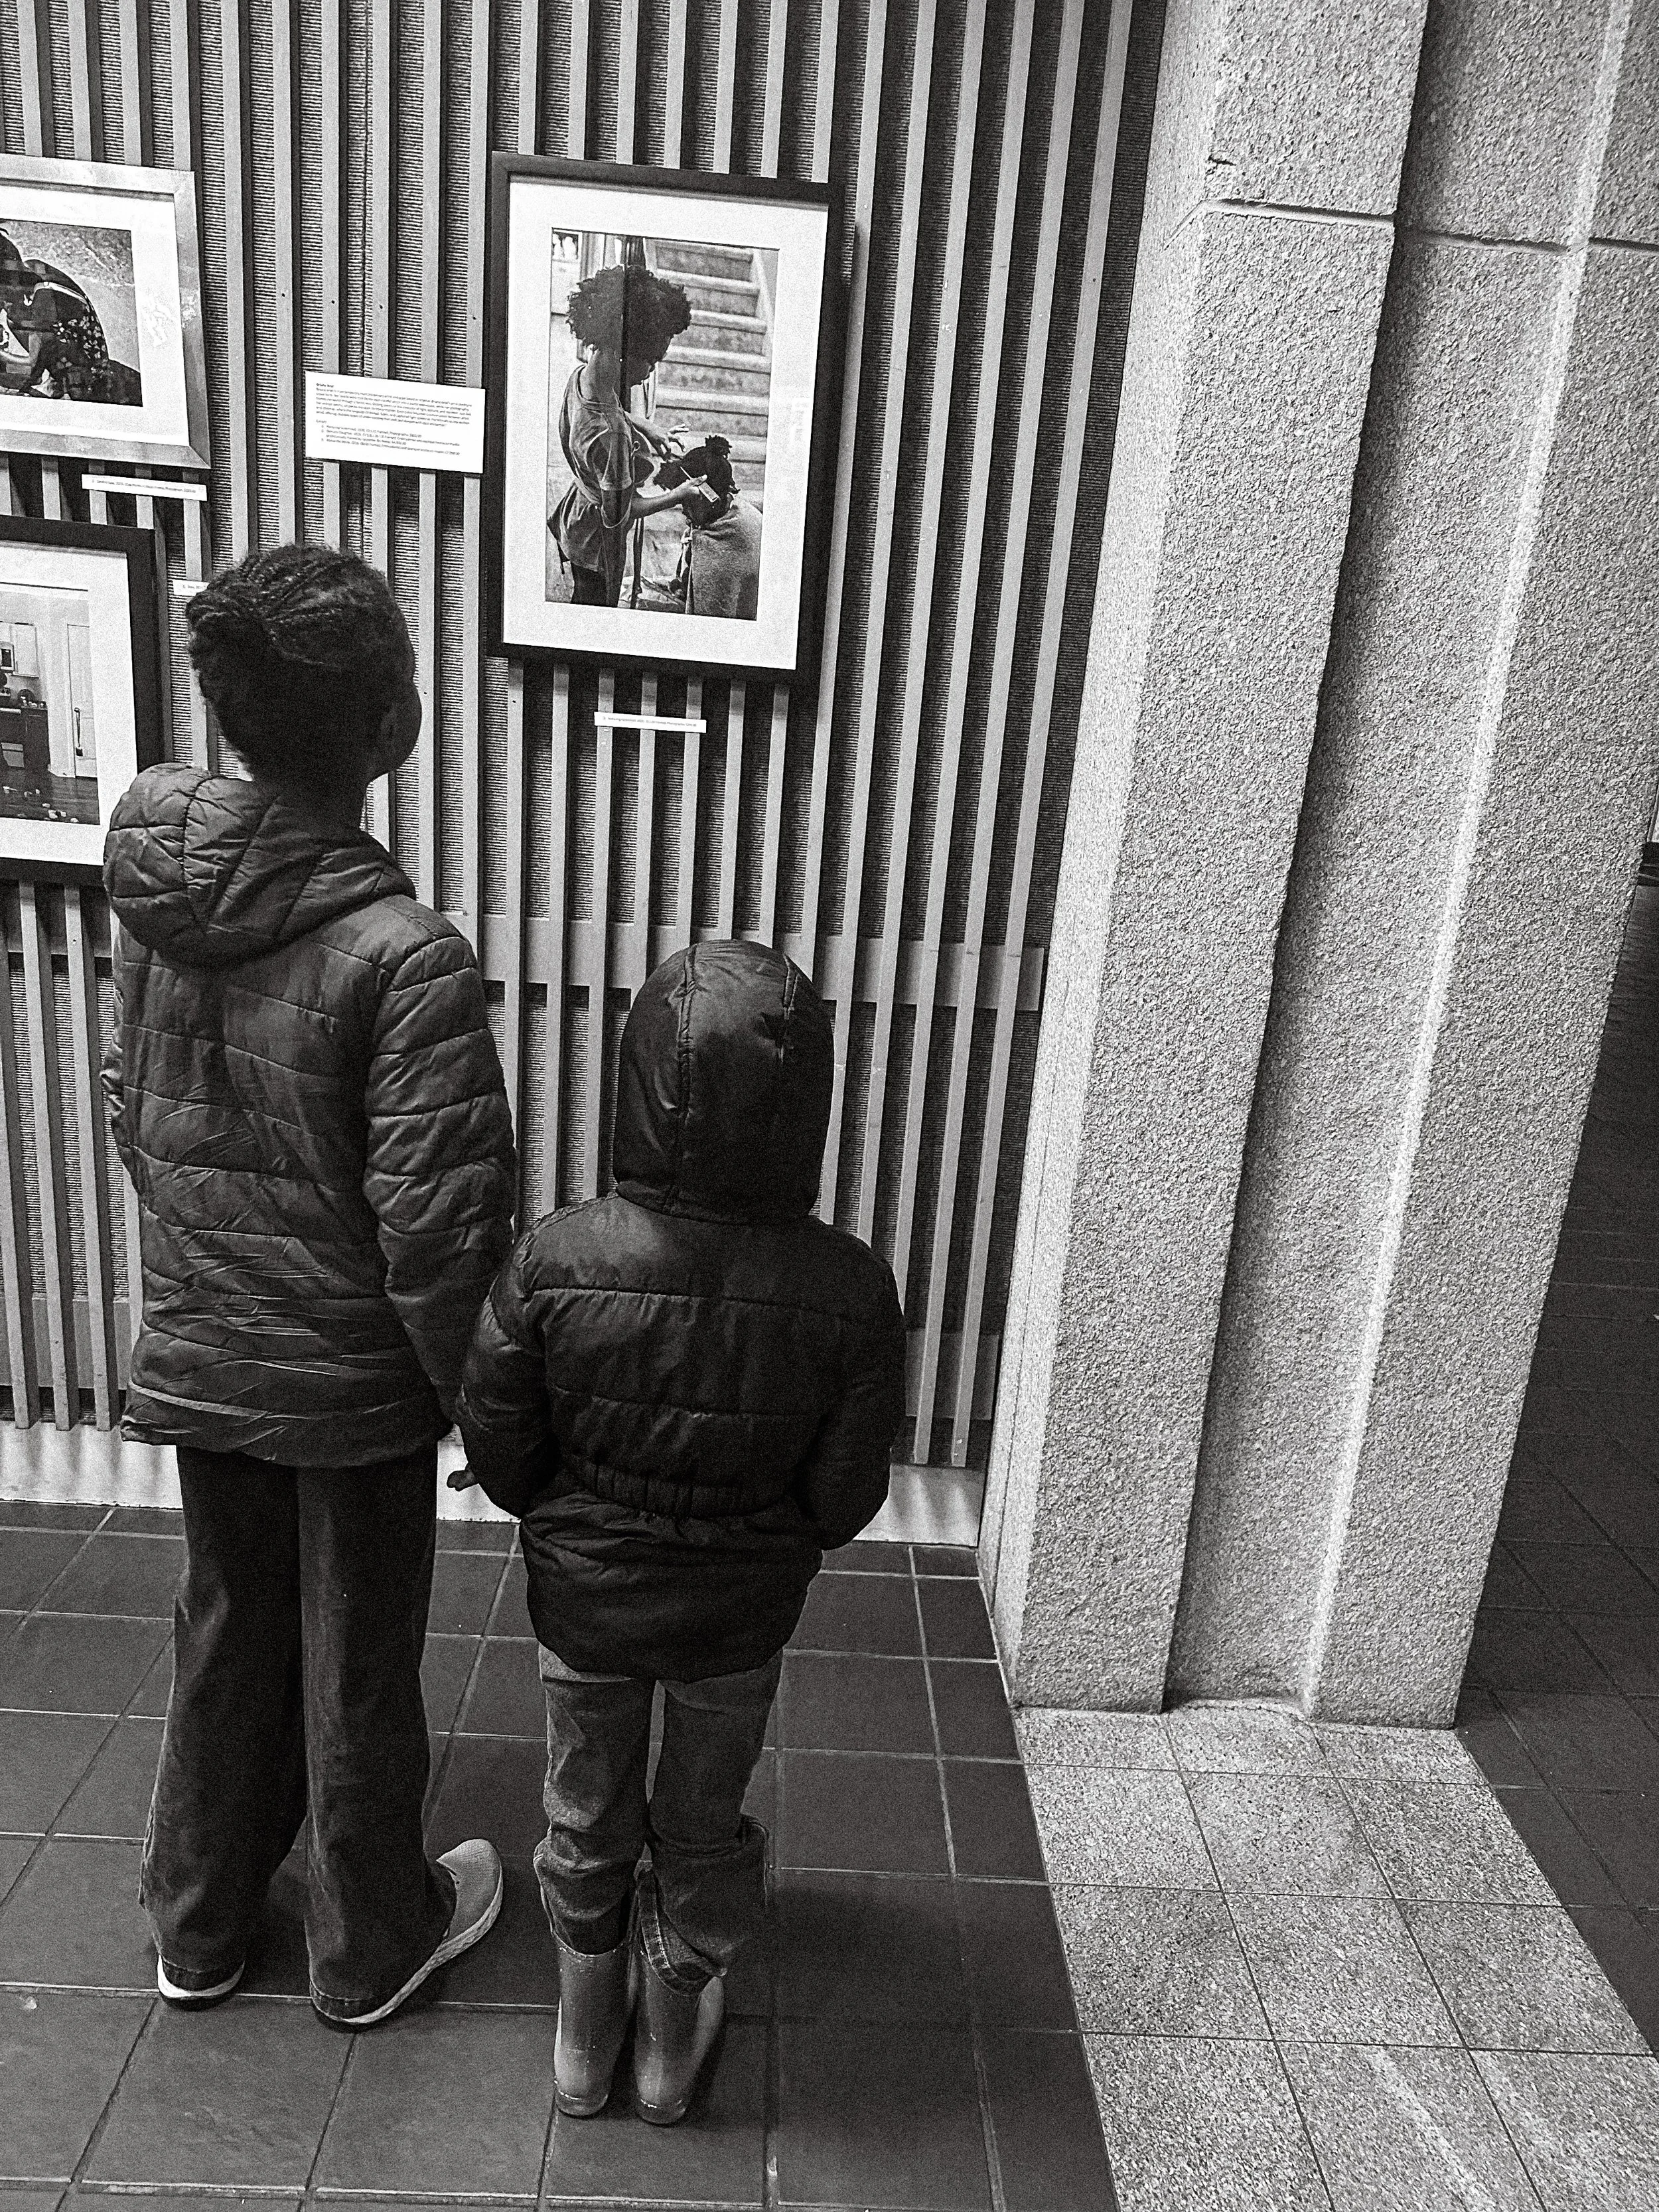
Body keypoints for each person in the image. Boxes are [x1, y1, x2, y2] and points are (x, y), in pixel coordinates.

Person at [100, 542, 518, 2028]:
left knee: (225, 1623)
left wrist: (212, 1281)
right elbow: (439, 1228)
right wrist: (484, 1401)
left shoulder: (154, 901)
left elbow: (129, 1115)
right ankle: (366, 1941)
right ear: (393, 729)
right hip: (351, 1385)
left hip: (204, 1343)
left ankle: (199, 1925)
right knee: (357, 1653)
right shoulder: (406, 955)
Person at [456, 941, 906, 2124]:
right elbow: (845, 1497)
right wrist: (767, 1531)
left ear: (636, 1080)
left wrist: (575, 1519)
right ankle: (667, 2050)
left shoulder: (555, 1256)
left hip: (585, 1602)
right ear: (807, 1098)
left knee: (583, 1807)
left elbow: (502, 1453)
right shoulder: (850, 1288)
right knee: (699, 1820)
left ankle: (579, 2038)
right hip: (737, 1615)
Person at [547, 259, 700, 606]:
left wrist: (650, 429)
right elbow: (625, 511)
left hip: (577, 517)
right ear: (621, 355)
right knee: (591, 610)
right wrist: (680, 494)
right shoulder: (611, 439)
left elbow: (612, 408)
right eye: (650, 362)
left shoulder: (584, 377)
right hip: (596, 547)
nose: (649, 373)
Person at [0, 230, 141, 404]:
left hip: (90, 382)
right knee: (14, 320)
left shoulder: (44, 296)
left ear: (8, 281)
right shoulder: (32, 269)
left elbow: (30, 374)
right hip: (61, 371)